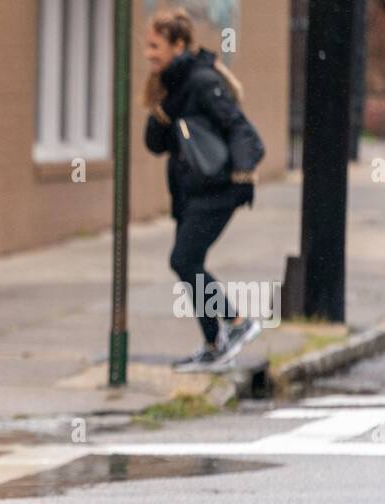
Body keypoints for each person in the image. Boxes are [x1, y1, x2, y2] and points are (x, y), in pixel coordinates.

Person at [143, 7, 266, 372]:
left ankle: (239, 323)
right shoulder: (173, 86)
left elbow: (241, 128)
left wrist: (242, 174)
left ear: (179, 45)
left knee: (183, 260)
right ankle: (214, 343)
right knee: (188, 263)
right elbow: (155, 144)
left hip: (219, 187)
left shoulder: (200, 81)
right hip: (190, 191)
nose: (149, 54)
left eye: (155, 46)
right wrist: (160, 111)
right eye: (147, 47)